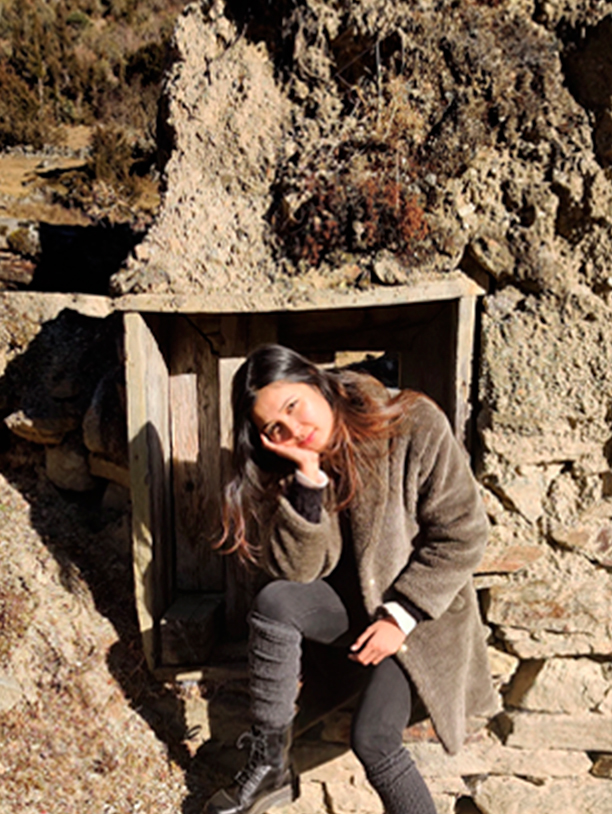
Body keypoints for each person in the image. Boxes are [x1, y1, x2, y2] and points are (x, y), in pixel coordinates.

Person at [204, 344, 497, 814]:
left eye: (293, 406)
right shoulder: (295, 464)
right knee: (275, 601)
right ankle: (270, 767)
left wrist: (400, 616)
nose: (293, 430)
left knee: (374, 739)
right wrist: (308, 482)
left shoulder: (412, 423)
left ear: (315, 381)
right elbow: (298, 573)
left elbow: (464, 533)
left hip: (420, 622)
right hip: (351, 614)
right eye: (273, 428)